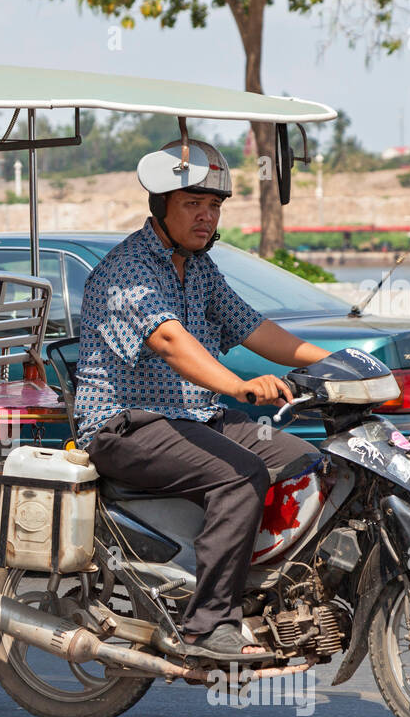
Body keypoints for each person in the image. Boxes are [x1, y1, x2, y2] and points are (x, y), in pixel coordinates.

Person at [74, 139, 333, 661]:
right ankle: (207, 625)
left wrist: (338, 366)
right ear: (160, 206)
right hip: (126, 425)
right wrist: (238, 386)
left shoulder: (198, 267)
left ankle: (263, 588)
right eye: (192, 203)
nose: (206, 216)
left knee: (307, 462)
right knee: (239, 475)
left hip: (195, 417)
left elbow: (254, 327)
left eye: (213, 205)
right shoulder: (128, 270)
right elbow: (171, 342)